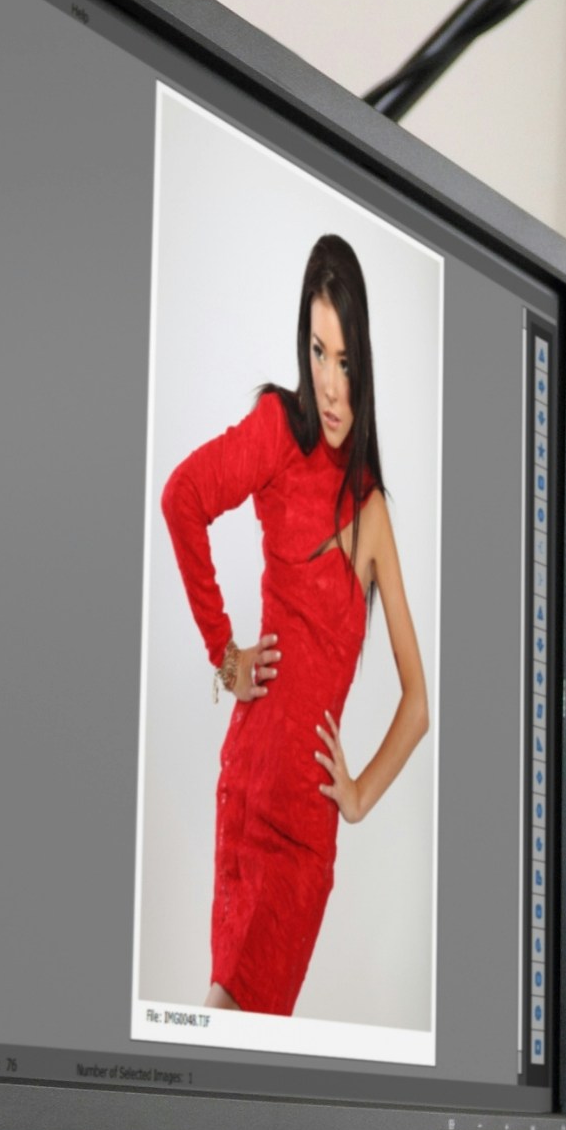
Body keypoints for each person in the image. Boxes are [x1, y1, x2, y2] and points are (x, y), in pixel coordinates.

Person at [158, 234, 432, 1017]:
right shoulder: (279, 429)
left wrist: (358, 794)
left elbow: (418, 704)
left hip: (303, 832)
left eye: (345, 361)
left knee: (230, 1029)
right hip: (246, 786)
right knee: (221, 1027)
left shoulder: (370, 510)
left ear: (365, 365)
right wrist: (224, 655)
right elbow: (183, 499)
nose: (331, 386)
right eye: (318, 352)